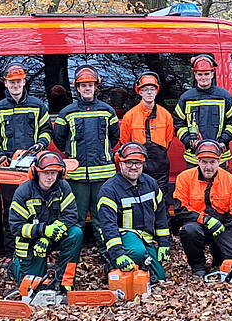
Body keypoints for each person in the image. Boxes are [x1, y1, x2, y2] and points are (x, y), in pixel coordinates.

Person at [0, 63, 53, 266]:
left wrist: (40, 145)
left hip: (33, 165)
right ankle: (12, 251)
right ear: (6, 84)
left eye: (18, 81)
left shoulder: (37, 105)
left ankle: (41, 249)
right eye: (11, 82)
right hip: (9, 167)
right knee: (11, 210)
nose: (15, 85)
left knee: (39, 209)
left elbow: (46, 130)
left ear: (24, 81)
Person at [53, 65, 119, 256]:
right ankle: (73, 254)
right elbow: (59, 139)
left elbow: (114, 137)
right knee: (77, 218)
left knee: (102, 217)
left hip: (103, 176)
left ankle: (106, 252)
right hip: (77, 175)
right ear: (77, 88)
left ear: (96, 87)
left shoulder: (108, 111)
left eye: (90, 85)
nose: (87, 88)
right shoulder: (67, 112)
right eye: (83, 86)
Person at [173, 140, 232, 277]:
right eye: (204, 162)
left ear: (219, 162)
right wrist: (205, 219)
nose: (208, 167)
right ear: (198, 161)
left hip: (223, 225)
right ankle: (198, 265)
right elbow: (180, 209)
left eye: (212, 162)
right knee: (189, 231)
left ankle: (218, 257)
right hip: (198, 224)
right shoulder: (185, 178)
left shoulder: (230, 180)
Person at [97, 142, 171, 282]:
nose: (133, 167)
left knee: (160, 277)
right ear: (121, 164)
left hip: (145, 238)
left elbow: (161, 216)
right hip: (121, 235)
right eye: (129, 163)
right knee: (137, 252)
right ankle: (113, 265)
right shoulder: (109, 190)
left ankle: (142, 266)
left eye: (137, 163)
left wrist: (164, 244)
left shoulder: (151, 184)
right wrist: (117, 254)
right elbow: (108, 226)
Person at [9, 152, 82, 290]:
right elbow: (16, 227)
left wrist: (48, 236)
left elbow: (71, 215)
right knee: (31, 287)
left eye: (54, 173)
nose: (50, 177)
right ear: (36, 172)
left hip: (53, 235)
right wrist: (43, 231)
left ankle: (64, 282)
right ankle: (15, 265)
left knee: (76, 233)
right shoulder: (23, 192)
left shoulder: (63, 187)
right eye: (46, 173)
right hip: (30, 240)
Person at [173, 54, 232, 167]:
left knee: (220, 185)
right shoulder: (186, 98)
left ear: (212, 74)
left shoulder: (223, 96)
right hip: (194, 158)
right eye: (199, 74)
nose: (203, 77)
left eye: (206, 74)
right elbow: (178, 123)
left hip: (219, 157)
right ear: (195, 75)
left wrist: (223, 140)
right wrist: (189, 141)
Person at [120, 71, 174, 194]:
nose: (149, 92)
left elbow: (168, 140)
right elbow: (125, 142)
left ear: (157, 91)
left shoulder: (166, 116)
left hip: (160, 165)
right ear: (139, 92)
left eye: (152, 89)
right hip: (137, 165)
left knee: (161, 197)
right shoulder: (129, 116)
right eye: (145, 89)